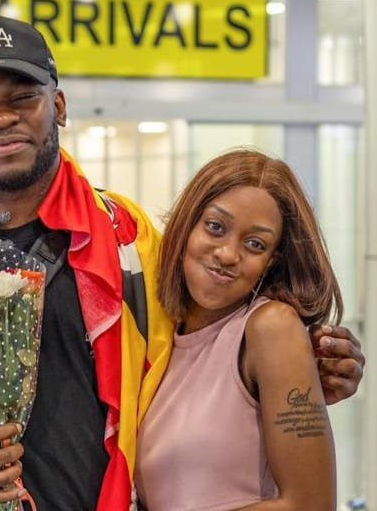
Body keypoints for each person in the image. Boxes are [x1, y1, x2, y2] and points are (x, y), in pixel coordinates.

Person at [0, 15, 365, 511]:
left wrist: (304, 367)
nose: (2, 119)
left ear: (57, 106)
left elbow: (211, 357)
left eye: (22, 97)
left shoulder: (134, 245)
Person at [136, 149, 340, 510]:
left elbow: (311, 504)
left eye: (255, 244)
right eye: (215, 227)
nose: (228, 254)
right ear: (186, 226)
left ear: (270, 262)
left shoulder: (271, 327)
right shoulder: (158, 334)